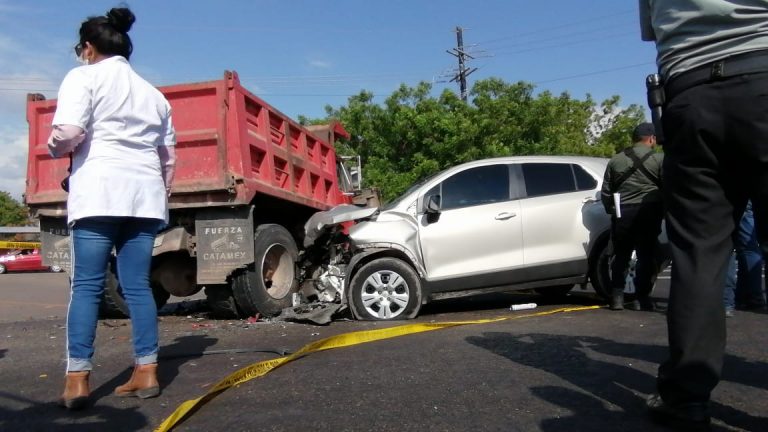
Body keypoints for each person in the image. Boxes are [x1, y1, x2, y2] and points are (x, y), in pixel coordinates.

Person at [640, 1, 768, 429]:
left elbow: (655, 31)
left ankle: (687, 397)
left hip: (688, 92)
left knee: (697, 254)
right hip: (761, 65)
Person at [48, 6, 176, 410]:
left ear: (88, 48)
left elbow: (69, 132)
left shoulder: (82, 77)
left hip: (100, 192)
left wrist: (56, 147)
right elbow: (167, 158)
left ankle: (78, 380)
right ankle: (147, 371)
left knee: (86, 286)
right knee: (137, 286)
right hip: (145, 197)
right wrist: (160, 194)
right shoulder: (155, 96)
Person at [600, 123, 664, 312]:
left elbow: (606, 192)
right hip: (649, 211)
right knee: (646, 256)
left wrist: (612, 210)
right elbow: (668, 187)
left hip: (623, 212)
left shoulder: (615, 160)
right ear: (651, 138)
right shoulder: (659, 159)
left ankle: (617, 297)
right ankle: (641, 298)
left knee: (621, 255)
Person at [723, 201, 765, 317]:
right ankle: (753, 296)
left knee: (726, 247)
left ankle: (725, 302)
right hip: (747, 195)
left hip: (722, 195)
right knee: (749, 248)